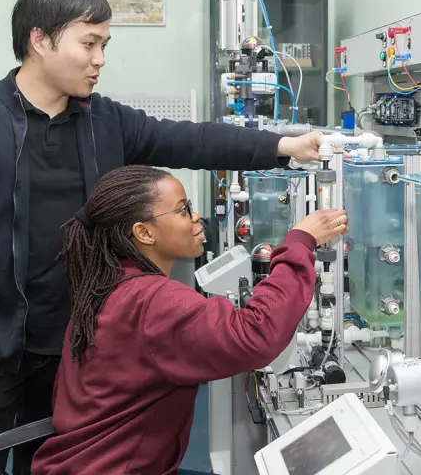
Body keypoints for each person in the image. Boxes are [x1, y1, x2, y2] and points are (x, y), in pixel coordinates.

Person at [0, 0, 324, 475]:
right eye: (89, 43)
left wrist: (279, 147)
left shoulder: (104, 121)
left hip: (74, 350)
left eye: (105, 43)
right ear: (39, 39)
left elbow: (188, 140)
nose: (101, 58)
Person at [30, 165, 347, 475]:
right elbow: (256, 334)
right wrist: (299, 244)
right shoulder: (153, 302)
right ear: (144, 232)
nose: (196, 218)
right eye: (183, 210)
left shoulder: (111, 284)